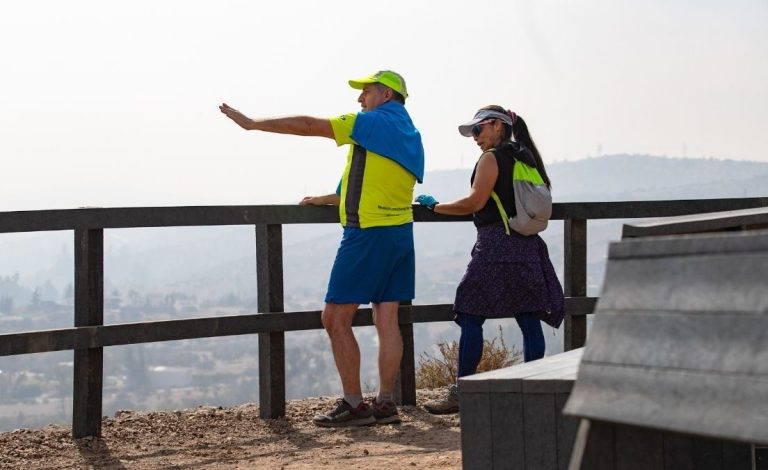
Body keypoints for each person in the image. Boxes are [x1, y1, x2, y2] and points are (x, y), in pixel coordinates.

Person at [220, 70, 424, 427]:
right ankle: (386, 403)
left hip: (368, 234)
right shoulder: (410, 132)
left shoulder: (369, 123)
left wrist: (253, 124)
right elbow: (380, 180)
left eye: (366, 92)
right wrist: (331, 198)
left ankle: (354, 405)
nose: (360, 100)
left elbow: (310, 126)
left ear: (386, 96)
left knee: (334, 318)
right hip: (400, 234)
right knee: (387, 318)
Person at [416, 105, 564, 414]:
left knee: (470, 312)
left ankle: (463, 391)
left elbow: (474, 202)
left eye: (478, 130)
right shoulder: (525, 158)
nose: (474, 137)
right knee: (528, 316)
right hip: (527, 245)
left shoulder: (492, 159)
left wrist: (435, 206)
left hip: (496, 245)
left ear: (497, 126)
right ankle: (533, 391)